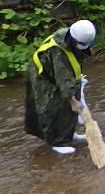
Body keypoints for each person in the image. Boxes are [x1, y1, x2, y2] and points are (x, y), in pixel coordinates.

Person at [25, 19, 96, 155]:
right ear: (74, 40)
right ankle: (56, 141)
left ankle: (68, 134)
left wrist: (78, 86)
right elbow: (64, 80)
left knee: (70, 103)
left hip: (56, 73)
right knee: (54, 107)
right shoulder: (58, 53)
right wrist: (74, 102)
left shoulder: (69, 36)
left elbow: (73, 65)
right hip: (43, 77)